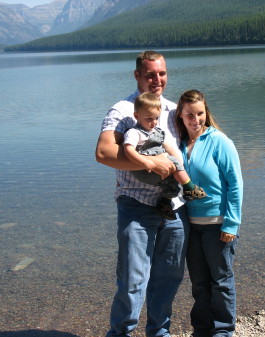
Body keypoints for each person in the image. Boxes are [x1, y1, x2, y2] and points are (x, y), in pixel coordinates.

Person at [95, 51, 189, 337]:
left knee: (169, 277)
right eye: (150, 74)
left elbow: (199, 136)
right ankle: (121, 333)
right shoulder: (123, 111)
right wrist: (149, 162)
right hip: (137, 207)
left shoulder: (173, 110)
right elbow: (104, 152)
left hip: (173, 208)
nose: (157, 80)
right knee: (133, 281)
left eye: (161, 73)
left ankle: (159, 332)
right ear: (137, 75)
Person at [175, 89, 243, 337]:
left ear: (206, 112)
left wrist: (231, 223)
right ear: (181, 117)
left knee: (221, 281)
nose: (196, 119)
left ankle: (223, 331)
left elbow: (235, 184)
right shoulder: (179, 145)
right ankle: (201, 330)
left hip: (218, 224)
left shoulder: (220, 141)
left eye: (200, 113)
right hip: (190, 226)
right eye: (189, 114)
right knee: (199, 283)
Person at [124, 92, 207, 220]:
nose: (154, 122)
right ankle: (189, 188)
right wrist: (144, 162)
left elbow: (168, 146)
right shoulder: (135, 133)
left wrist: (178, 164)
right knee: (172, 164)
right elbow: (128, 149)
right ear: (137, 116)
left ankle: (165, 203)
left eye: (156, 118)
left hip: (157, 168)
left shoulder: (156, 131)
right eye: (149, 119)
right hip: (144, 171)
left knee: (172, 177)